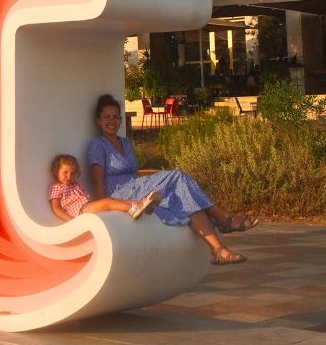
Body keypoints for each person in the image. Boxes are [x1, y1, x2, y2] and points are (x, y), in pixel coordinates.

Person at [87, 94, 252, 264]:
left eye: (115, 117)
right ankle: (223, 218)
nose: (111, 121)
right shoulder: (97, 145)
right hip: (120, 193)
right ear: (98, 120)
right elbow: (98, 179)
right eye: (107, 117)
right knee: (177, 175)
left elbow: (134, 172)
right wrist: (105, 207)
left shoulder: (126, 143)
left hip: (138, 186)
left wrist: (155, 179)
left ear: (121, 120)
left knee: (184, 199)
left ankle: (219, 250)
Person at [48, 153, 156, 222]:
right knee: (108, 202)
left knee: (116, 200)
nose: (69, 176)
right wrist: (72, 221)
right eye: (65, 172)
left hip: (87, 206)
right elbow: (56, 208)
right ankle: (133, 209)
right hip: (80, 212)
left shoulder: (75, 184)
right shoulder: (56, 186)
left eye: (72, 173)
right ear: (56, 171)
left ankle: (143, 202)